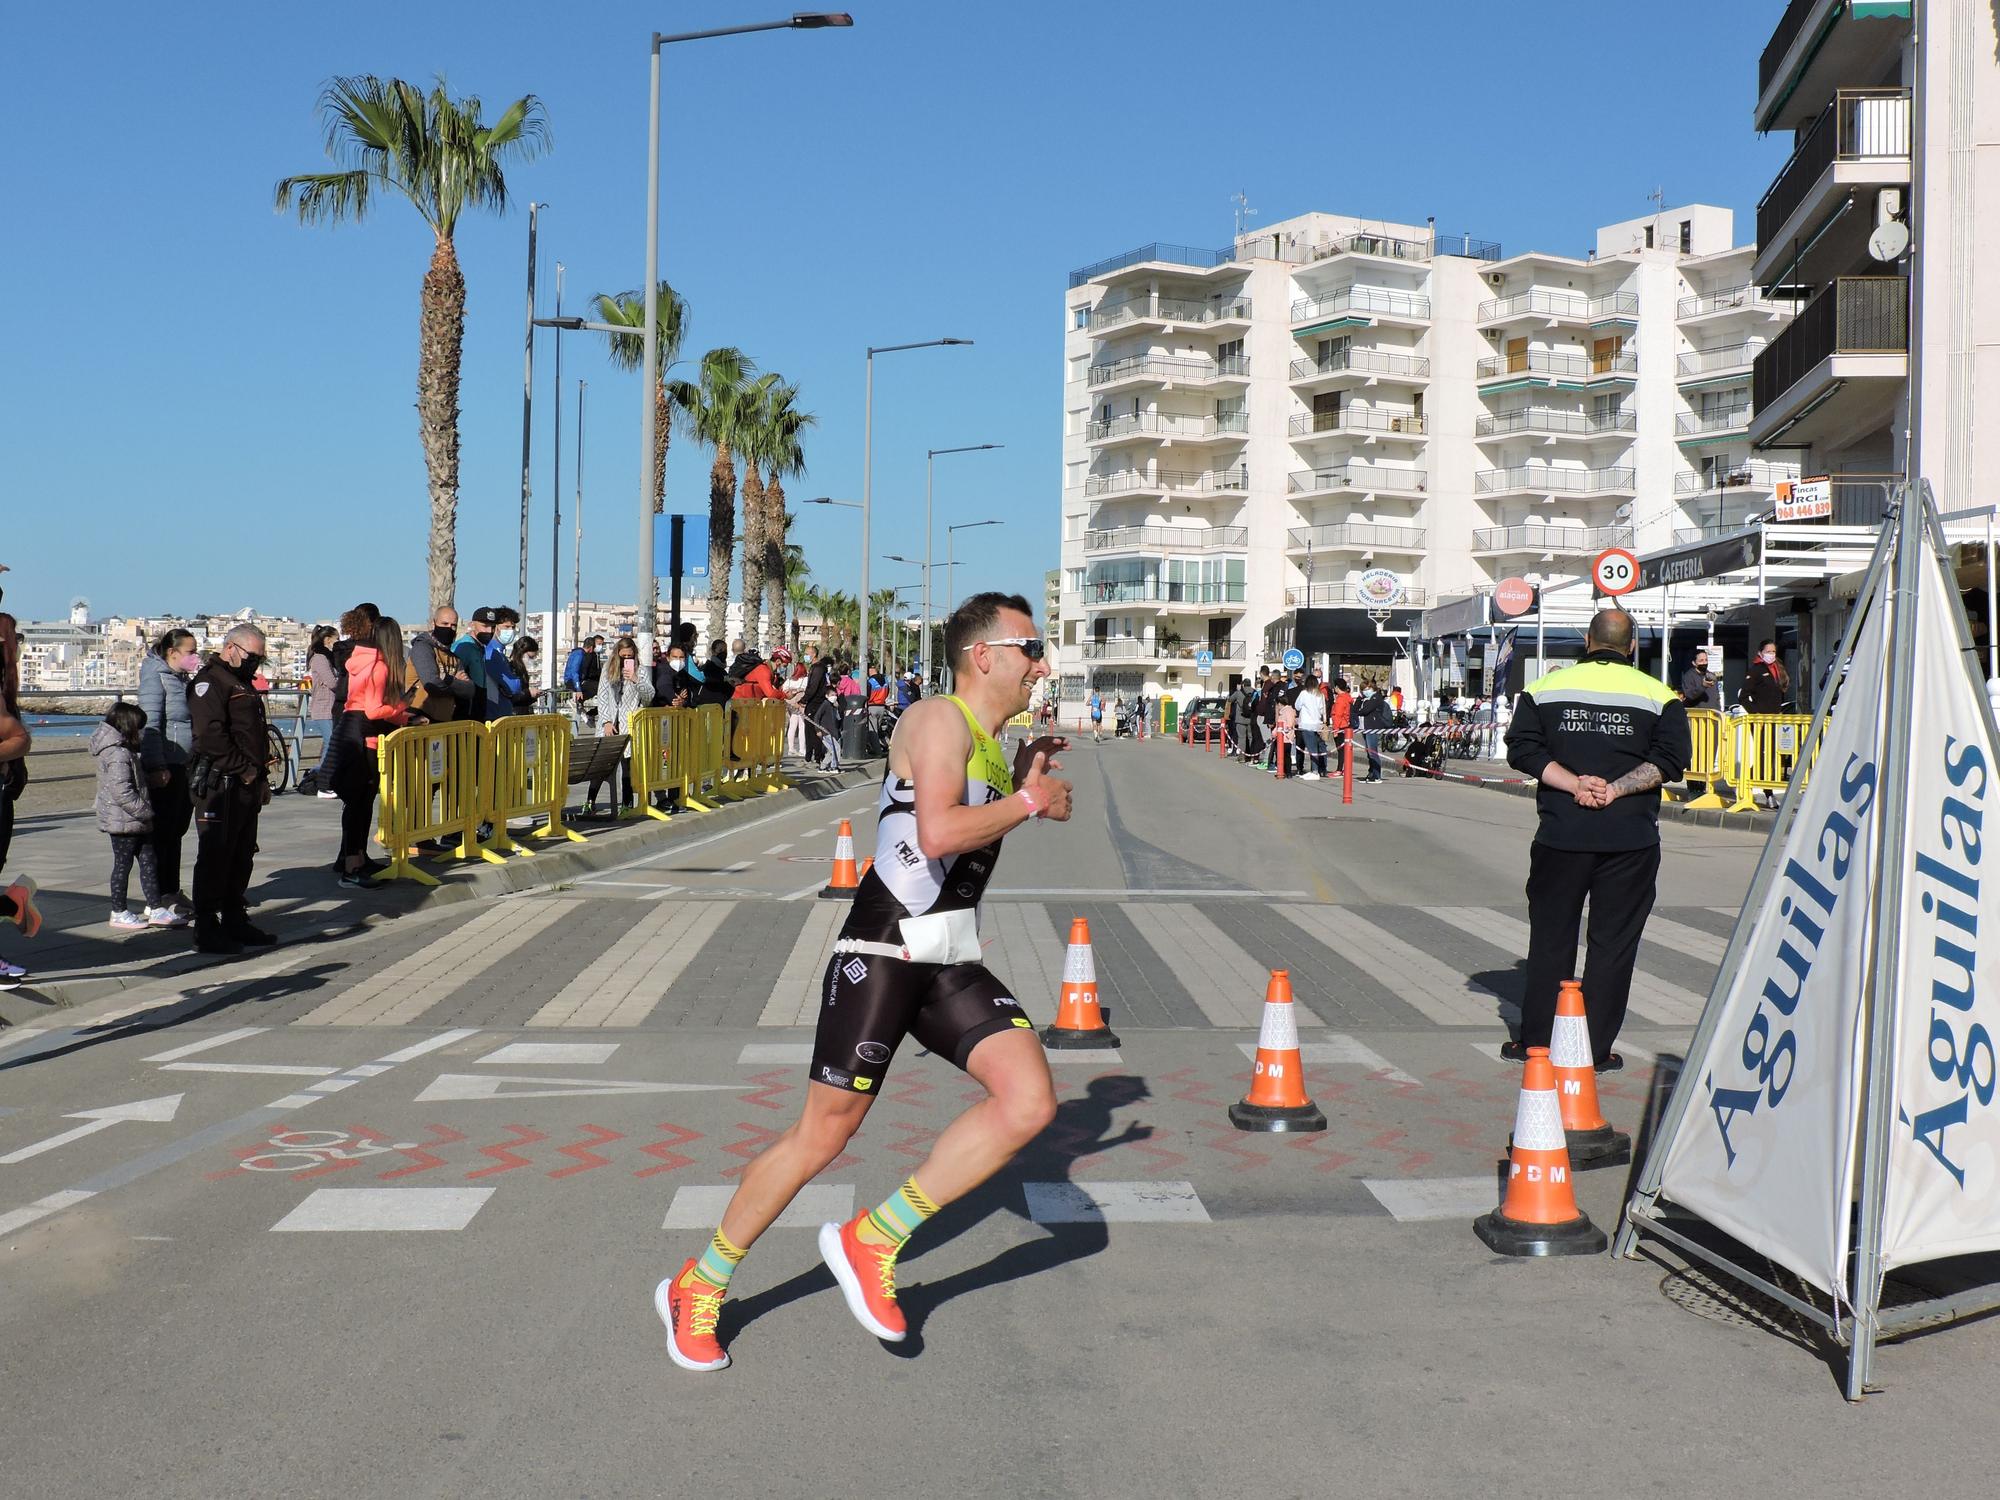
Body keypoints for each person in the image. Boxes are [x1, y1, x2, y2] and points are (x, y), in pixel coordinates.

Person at [657, 591, 1073, 1373]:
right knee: (825, 1133)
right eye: (1031, 648)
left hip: (946, 955)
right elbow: (939, 832)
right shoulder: (937, 720)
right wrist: (1026, 800)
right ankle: (700, 1283)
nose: (1041, 665)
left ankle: (873, 1237)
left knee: (1029, 1100)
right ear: (983, 655)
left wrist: (1023, 783)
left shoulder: (990, 741)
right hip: (884, 947)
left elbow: (963, 851)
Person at [1504, 609, 1691, 1069]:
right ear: (1631, 647)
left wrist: (1574, 785)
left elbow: (1523, 749)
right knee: (1612, 946)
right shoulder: (1658, 694)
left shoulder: (1545, 689)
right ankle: (1593, 1050)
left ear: (1588, 641)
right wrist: (1617, 788)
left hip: (1561, 836)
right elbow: (1670, 759)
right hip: (1629, 839)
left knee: (1551, 940)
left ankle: (1537, 1044)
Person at [188, 624, 276, 955]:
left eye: (260, 658)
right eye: (251, 656)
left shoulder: (241, 682)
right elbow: (210, 737)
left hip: (247, 782)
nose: (255, 663)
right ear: (230, 648)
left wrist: (260, 777)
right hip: (221, 783)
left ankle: (234, 917)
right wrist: (245, 770)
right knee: (215, 854)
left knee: (241, 853)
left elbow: (253, 734)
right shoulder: (211, 682)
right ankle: (207, 926)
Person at [332, 615, 413, 888]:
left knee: (357, 804)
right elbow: (375, 709)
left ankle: (354, 862)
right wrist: (402, 708)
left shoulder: (359, 661)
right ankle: (352, 868)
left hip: (352, 730)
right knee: (361, 804)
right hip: (364, 738)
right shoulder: (379, 667)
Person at [92, 703, 180, 931]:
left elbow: (131, 783)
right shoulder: (117, 753)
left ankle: (155, 906)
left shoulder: (123, 750)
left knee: (149, 861)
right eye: (139, 729)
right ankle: (118, 910)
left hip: (133, 819)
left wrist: (150, 782)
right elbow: (122, 791)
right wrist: (146, 812)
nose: (141, 733)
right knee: (123, 864)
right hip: (123, 820)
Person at [138, 628, 200, 913]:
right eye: (190, 652)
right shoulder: (156, 677)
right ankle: (162, 893)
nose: (194, 657)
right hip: (167, 763)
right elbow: (150, 725)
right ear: (172, 653)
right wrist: (156, 765)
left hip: (182, 762)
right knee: (164, 832)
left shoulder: (179, 679)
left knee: (176, 829)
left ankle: (172, 890)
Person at [593, 636, 653, 817]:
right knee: (601, 765)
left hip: (629, 725)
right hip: (610, 724)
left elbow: (649, 696)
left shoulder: (640, 671)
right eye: (623, 656)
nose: (626, 659)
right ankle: (589, 801)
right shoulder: (607, 669)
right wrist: (606, 721)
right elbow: (602, 696)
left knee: (627, 766)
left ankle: (626, 804)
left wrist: (636, 679)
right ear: (617, 654)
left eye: (630, 656)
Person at [409, 606, 471, 724]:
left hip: (443, 721)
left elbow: (469, 690)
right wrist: (456, 684)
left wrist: (446, 679)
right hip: (420, 719)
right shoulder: (422, 648)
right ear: (433, 624)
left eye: (453, 625)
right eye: (444, 624)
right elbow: (432, 685)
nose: (449, 628)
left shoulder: (454, 657)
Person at [303, 625, 338, 789]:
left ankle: (319, 774)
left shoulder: (323, 657)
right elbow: (331, 682)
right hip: (323, 707)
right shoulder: (320, 658)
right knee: (331, 743)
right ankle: (320, 777)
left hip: (326, 707)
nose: (337, 643)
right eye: (336, 639)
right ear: (327, 639)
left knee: (329, 743)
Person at [454, 608, 497, 720]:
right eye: (485, 626)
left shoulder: (479, 648)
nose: (489, 631)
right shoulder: (465, 647)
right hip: (465, 718)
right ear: (472, 625)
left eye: (493, 627)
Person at [802, 652, 841, 771]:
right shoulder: (820, 670)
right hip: (814, 703)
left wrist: (804, 700)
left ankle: (817, 759)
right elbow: (812, 687)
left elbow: (813, 687)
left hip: (814, 704)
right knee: (811, 731)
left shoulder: (819, 670)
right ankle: (813, 758)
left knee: (812, 732)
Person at [1740, 639, 1788, 713]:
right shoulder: (1756, 670)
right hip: (1761, 720)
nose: (1771, 654)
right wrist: (1755, 713)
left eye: (1773, 651)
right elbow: (1743, 697)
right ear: (1760, 653)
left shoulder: (1778, 668)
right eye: (1768, 652)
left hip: (1775, 718)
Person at [1294, 674, 1328, 779]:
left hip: (1306, 724)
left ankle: (1315, 771)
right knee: (1318, 747)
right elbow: (1323, 710)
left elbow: (1297, 706)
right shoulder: (1320, 694)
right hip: (1317, 724)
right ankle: (1320, 769)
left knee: (1311, 748)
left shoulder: (1304, 693)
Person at [565, 635, 604, 721]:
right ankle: (576, 700)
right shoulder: (580, 654)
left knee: (596, 687)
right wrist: (578, 689)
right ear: (591, 648)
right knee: (598, 688)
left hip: (574, 680)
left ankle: (580, 703)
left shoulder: (578, 653)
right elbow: (574, 672)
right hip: (572, 681)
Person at [1357, 683, 1389, 782]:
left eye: (1367, 689)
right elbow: (1355, 709)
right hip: (1365, 727)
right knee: (1369, 752)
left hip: (1373, 728)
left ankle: (1376, 775)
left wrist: (1360, 709)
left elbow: (1365, 710)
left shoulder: (1376, 698)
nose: (1365, 691)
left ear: (1373, 688)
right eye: (1363, 690)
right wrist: (1359, 699)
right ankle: (1371, 773)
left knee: (1373, 752)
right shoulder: (1365, 699)